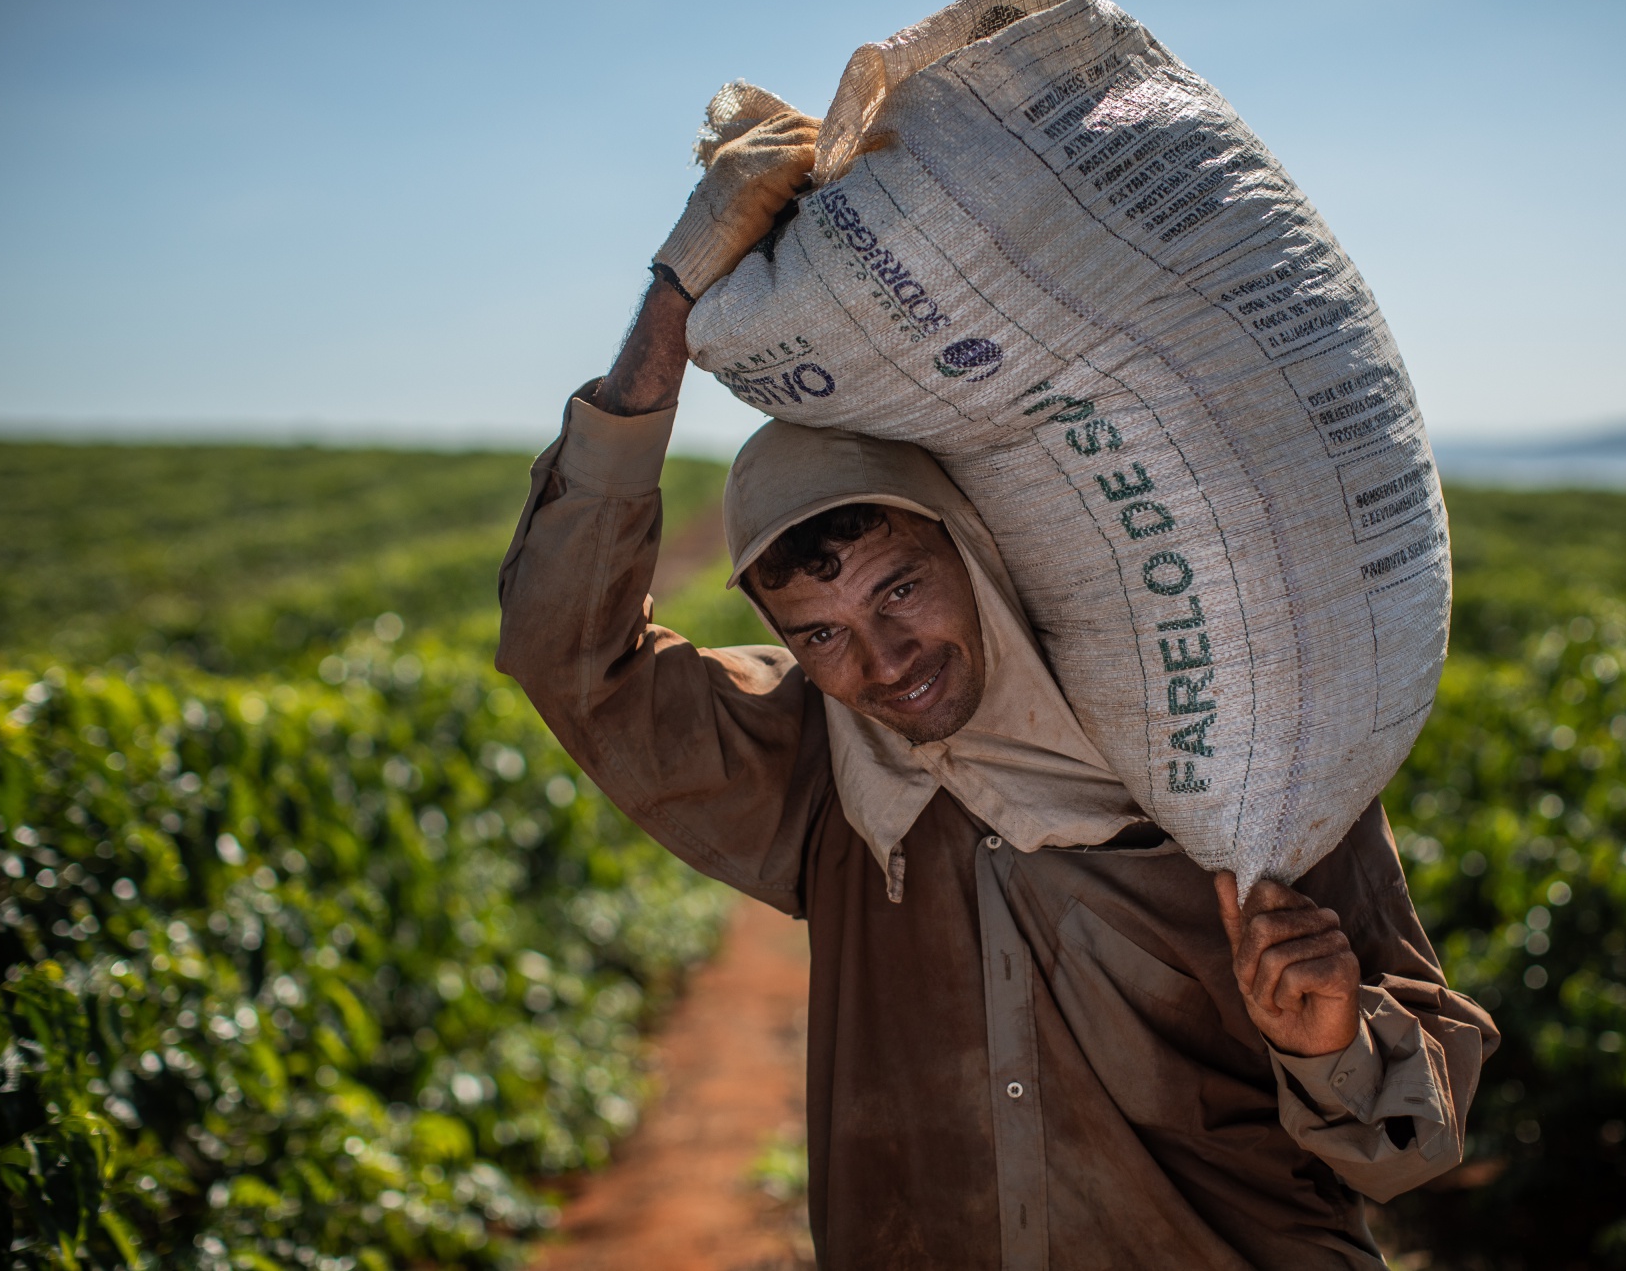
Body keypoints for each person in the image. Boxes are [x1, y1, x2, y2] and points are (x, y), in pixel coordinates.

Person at [497, 98, 1497, 1270]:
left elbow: (1408, 1143)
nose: (880, 664)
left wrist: (1331, 1043)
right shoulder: (815, 772)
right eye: (816, 635)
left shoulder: (1218, 733)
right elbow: (568, 655)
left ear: (972, 548)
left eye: (898, 589)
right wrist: (672, 297)